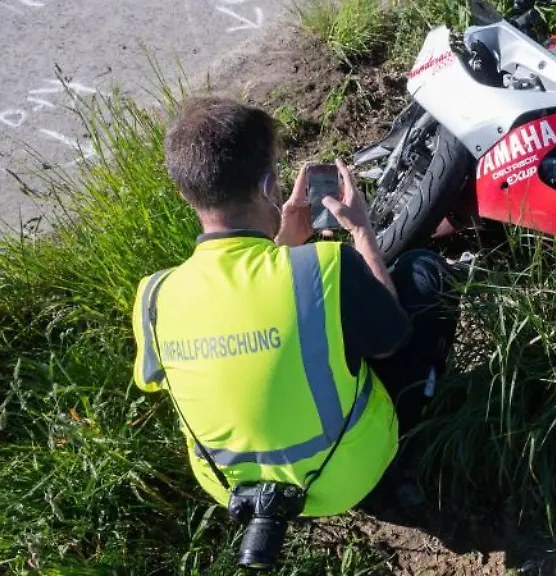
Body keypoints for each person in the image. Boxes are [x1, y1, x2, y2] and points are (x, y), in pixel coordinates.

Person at [130, 97, 459, 520]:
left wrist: (284, 244)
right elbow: (394, 336)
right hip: (343, 476)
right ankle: (401, 457)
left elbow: (241, 329)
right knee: (422, 273)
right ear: (269, 186)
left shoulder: (155, 296)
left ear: (184, 191)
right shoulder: (324, 267)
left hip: (230, 490)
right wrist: (361, 232)